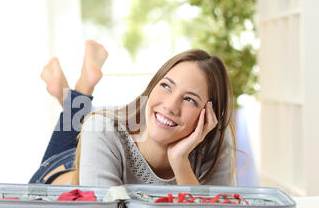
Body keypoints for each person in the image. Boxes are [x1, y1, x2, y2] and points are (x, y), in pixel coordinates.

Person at [29, 40, 236, 187]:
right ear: (152, 86)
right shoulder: (103, 129)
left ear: (209, 115)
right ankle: (81, 87)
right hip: (55, 179)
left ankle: (72, 91)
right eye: (166, 86)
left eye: (190, 99)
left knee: (89, 128)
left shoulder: (215, 144)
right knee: (94, 128)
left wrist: (180, 162)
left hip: (101, 154)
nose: (171, 106)